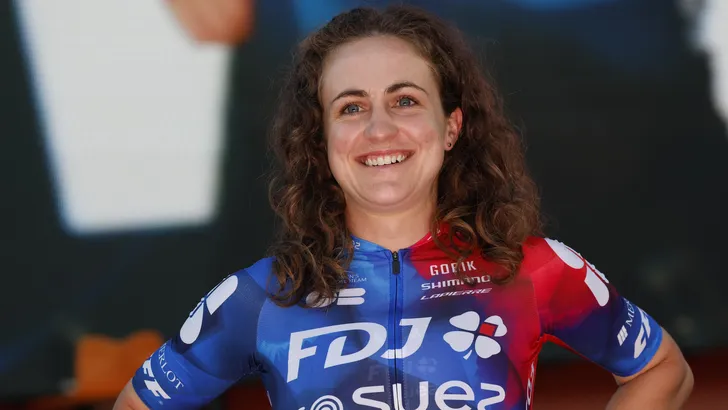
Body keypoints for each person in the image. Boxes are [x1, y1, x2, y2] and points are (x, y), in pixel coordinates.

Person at [114, 5, 693, 409]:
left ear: (451, 127)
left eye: (406, 100)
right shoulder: (261, 297)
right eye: (351, 108)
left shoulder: (535, 270)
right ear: (321, 140)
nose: (379, 129)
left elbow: (663, 370)